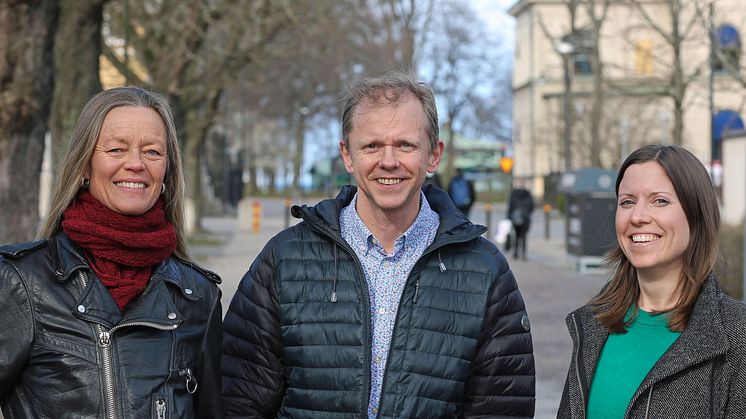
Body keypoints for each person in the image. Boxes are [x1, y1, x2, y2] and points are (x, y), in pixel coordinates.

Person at [222, 71, 535, 418]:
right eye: (372, 145)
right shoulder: (284, 260)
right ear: (347, 155)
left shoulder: (484, 271)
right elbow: (240, 401)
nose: (389, 161)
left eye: (406, 145)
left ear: (433, 155)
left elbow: (501, 409)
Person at [0, 87, 223, 418]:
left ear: (167, 171)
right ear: (85, 166)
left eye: (152, 152)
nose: (135, 164)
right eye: (117, 149)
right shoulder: (20, 281)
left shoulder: (197, 297)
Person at [558, 144, 746, 418]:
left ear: (697, 215)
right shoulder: (593, 323)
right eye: (627, 202)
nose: (638, 217)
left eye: (660, 200)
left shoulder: (736, 335)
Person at [507, 186, 534, 260]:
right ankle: (523, 253)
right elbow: (532, 206)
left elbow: (510, 206)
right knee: (524, 236)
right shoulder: (528, 194)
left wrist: (508, 217)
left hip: (515, 217)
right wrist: (527, 213)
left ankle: (515, 252)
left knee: (516, 235)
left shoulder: (514, 194)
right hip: (525, 217)